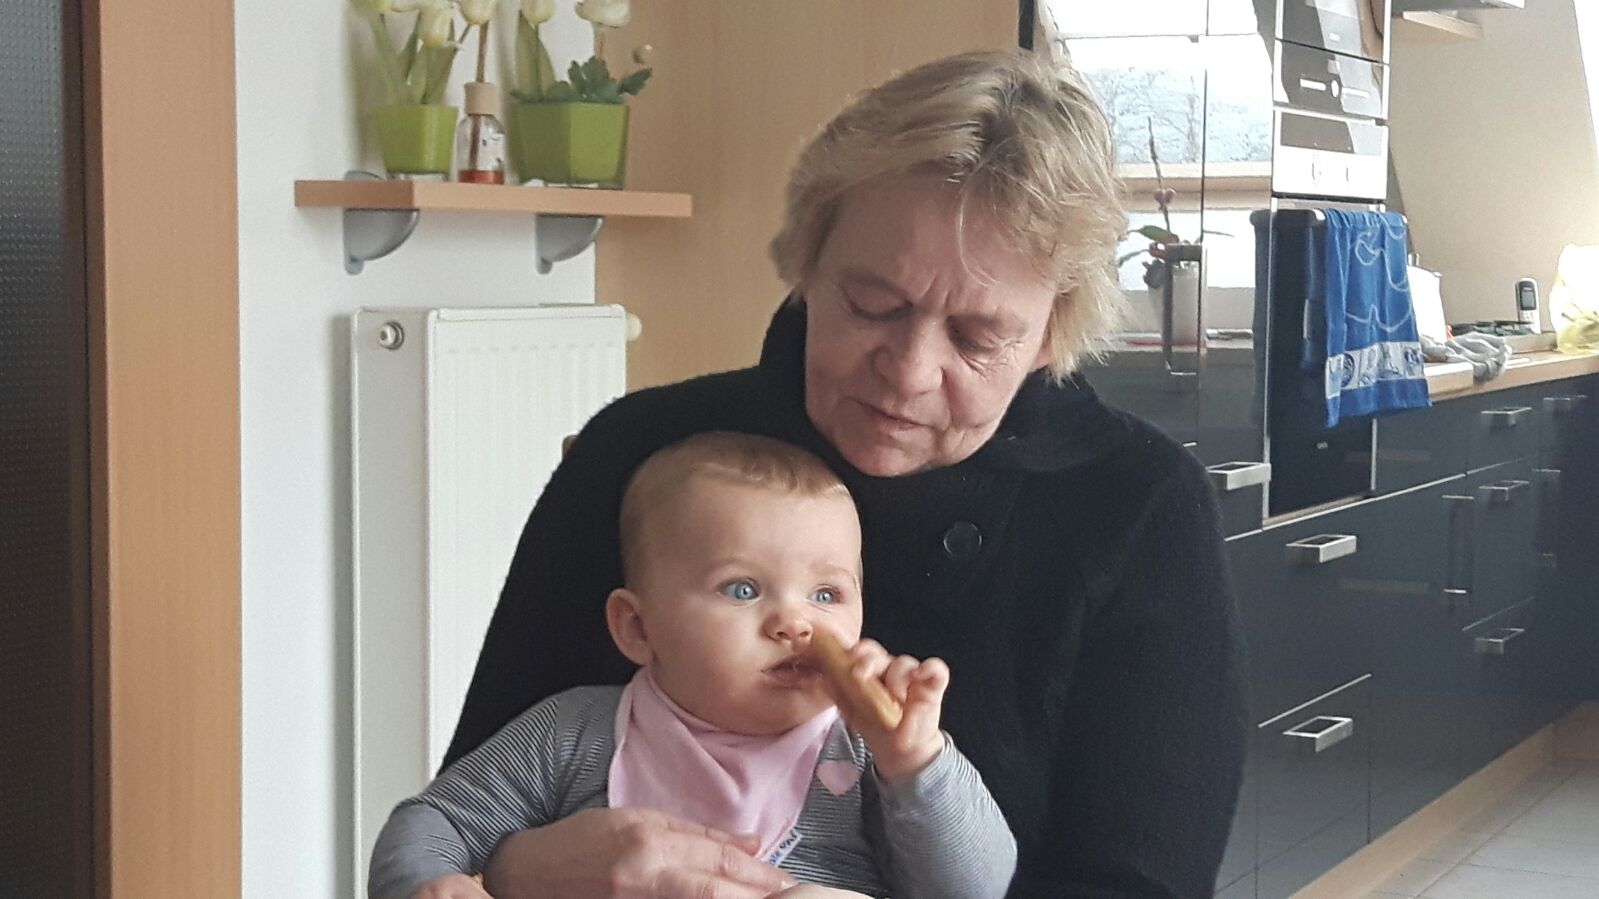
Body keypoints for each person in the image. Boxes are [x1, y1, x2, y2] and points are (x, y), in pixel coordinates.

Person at [447, 48, 1248, 899]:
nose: (907, 371)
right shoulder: (641, 450)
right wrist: (513, 869)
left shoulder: (1137, 506)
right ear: (806, 264)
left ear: (1051, 335)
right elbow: (457, 814)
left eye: (977, 337)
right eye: (872, 304)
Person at [368, 432, 1016, 899]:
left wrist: (916, 762)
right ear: (638, 628)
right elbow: (432, 821)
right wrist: (433, 883)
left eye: (826, 594)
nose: (795, 623)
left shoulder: (864, 749)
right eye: (742, 588)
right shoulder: (572, 732)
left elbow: (977, 886)